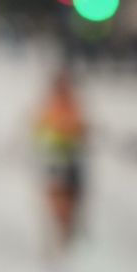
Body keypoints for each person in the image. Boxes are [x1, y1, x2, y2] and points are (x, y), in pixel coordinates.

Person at [32, 64, 88, 259]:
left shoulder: (72, 104)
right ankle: (60, 237)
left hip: (70, 160)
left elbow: (82, 129)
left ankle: (66, 235)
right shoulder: (52, 105)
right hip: (56, 161)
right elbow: (39, 130)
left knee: (73, 199)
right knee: (59, 201)